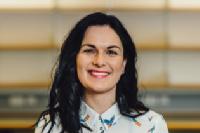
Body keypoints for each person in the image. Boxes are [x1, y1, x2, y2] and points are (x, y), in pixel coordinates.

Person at [35, 12, 168, 133]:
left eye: (111, 52)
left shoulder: (152, 125)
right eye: (89, 50)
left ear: (123, 64)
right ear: (74, 59)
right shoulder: (49, 126)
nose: (99, 61)